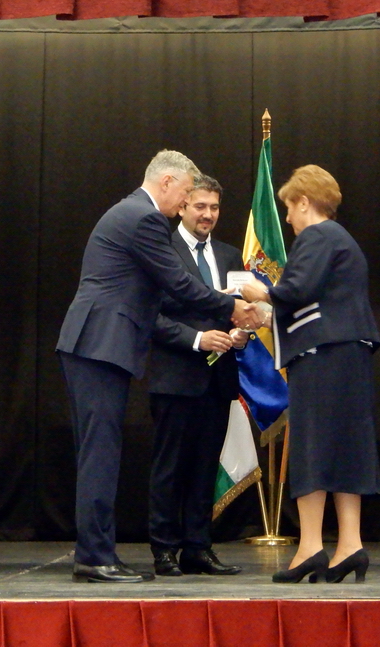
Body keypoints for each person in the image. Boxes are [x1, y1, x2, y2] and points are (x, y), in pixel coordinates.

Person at [57, 149, 260, 584]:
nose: (185, 203)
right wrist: (232, 308)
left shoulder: (129, 213)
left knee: (98, 454)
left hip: (94, 344)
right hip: (99, 345)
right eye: (186, 193)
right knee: (100, 455)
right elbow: (179, 283)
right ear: (167, 182)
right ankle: (94, 557)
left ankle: (96, 552)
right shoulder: (144, 218)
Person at [240, 164, 380, 585]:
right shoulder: (341, 239)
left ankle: (310, 547)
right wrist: (270, 311)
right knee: (346, 445)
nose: (286, 219)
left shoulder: (318, 235)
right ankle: (350, 544)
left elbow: (296, 291)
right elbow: (312, 300)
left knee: (312, 444)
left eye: (289, 208)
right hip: (347, 354)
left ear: (304, 202)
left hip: (323, 356)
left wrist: (258, 292)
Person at [147, 175, 247, 577]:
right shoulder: (162, 250)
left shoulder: (230, 255)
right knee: (170, 468)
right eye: (200, 206)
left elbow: (237, 311)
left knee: (206, 468)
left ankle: (198, 548)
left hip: (219, 380)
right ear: (183, 206)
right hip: (174, 378)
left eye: (215, 207)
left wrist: (241, 335)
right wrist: (197, 339)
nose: (208, 215)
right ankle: (164, 550)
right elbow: (149, 316)